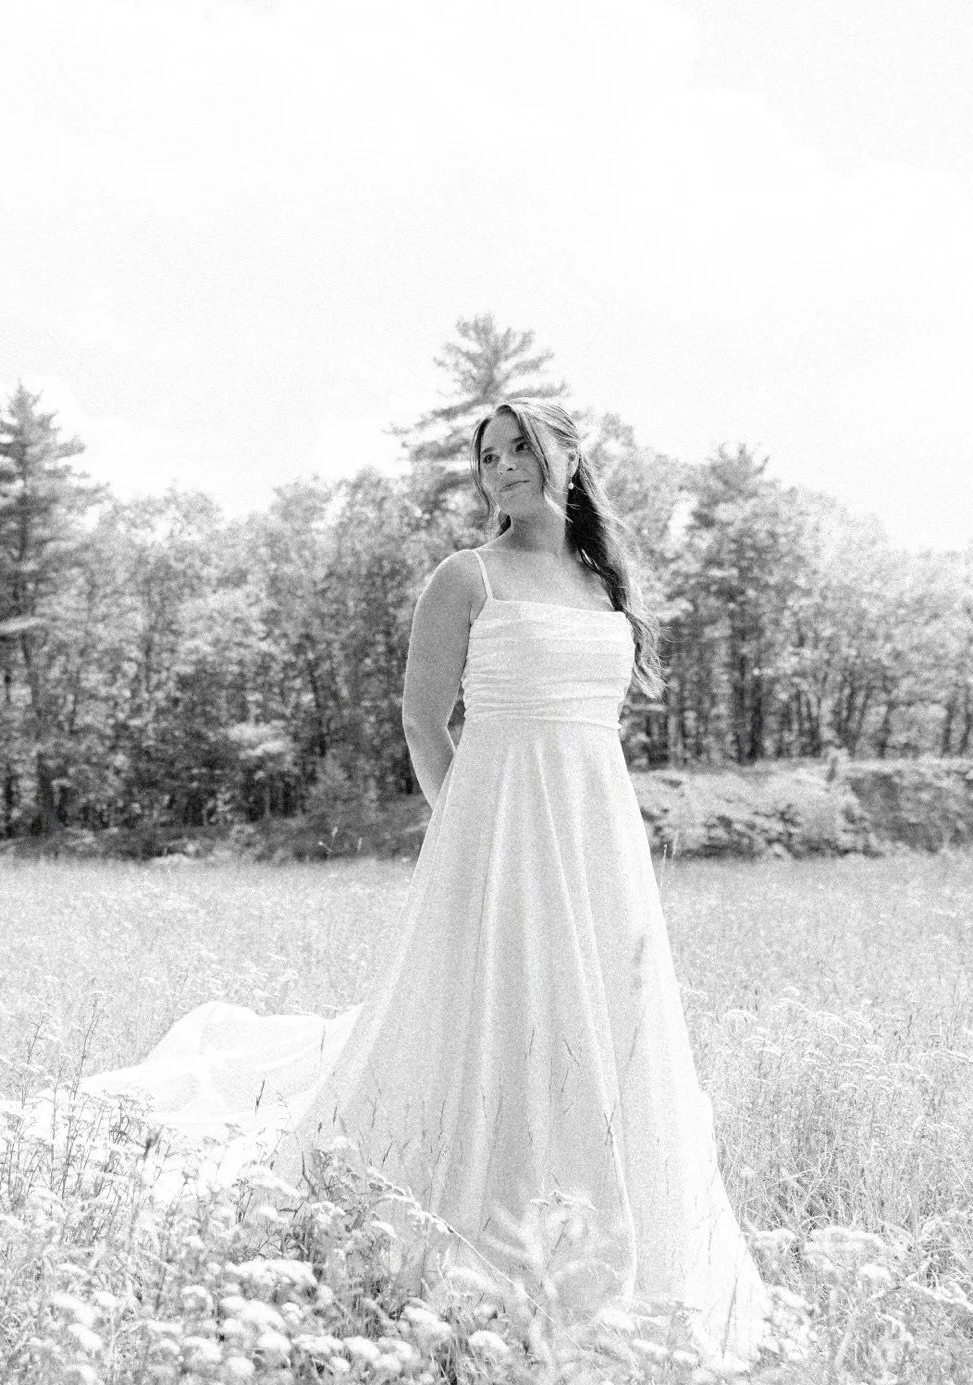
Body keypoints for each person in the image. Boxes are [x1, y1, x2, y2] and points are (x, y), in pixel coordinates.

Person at [75, 398, 770, 1361]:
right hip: (494, 828)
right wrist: (470, 832)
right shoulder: (465, 576)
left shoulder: (604, 583)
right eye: (489, 455)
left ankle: (607, 1242)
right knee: (490, 1013)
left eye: (521, 446)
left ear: (566, 456)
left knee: (605, 1019)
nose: (504, 466)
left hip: (597, 834)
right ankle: (466, 1229)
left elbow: (592, 729)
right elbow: (421, 721)